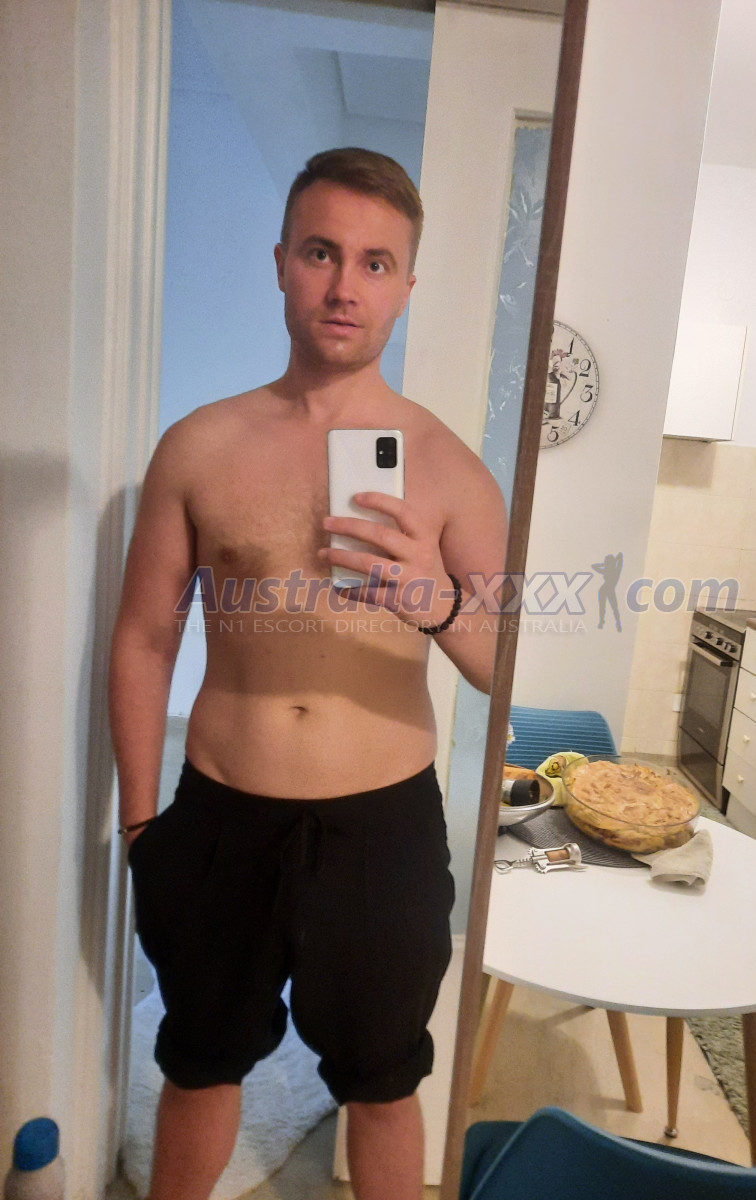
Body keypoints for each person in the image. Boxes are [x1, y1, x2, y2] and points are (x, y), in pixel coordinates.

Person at [108, 147, 508, 1200]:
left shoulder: (451, 468)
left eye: (376, 263)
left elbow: (501, 666)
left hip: (381, 828)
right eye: (322, 252)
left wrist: (436, 601)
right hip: (219, 813)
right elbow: (144, 638)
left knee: (382, 1082)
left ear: (406, 287)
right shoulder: (198, 446)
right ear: (282, 261)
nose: (344, 285)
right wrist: (143, 823)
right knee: (198, 1061)